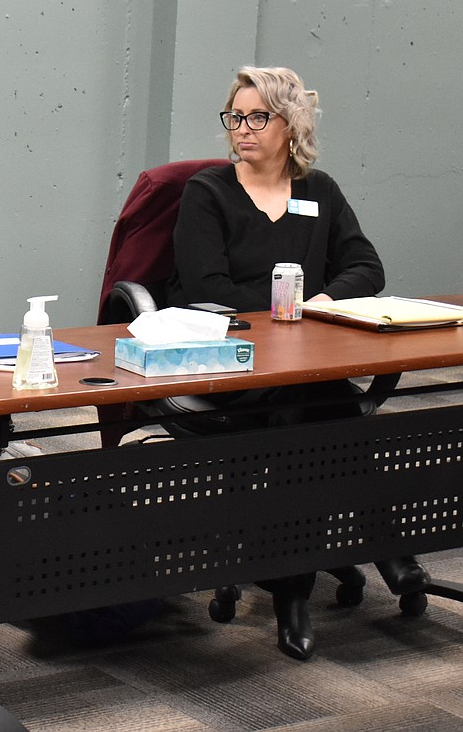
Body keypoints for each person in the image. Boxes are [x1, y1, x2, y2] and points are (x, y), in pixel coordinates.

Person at [167, 65, 429, 660]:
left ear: (290, 125)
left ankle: (299, 576)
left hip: (308, 356)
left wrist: (324, 300)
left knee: (315, 400)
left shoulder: (320, 191)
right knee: (310, 407)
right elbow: (205, 287)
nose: (243, 129)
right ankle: (341, 569)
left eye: (258, 117)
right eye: (235, 116)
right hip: (236, 360)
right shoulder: (208, 193)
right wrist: (283, 314)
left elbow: (366, 266)